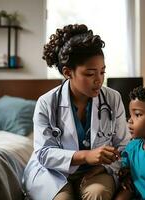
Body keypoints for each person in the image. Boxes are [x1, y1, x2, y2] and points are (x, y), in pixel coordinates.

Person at [23, 24, 130, 200]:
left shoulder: (113, 99)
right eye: (90, 74)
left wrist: (104, 167)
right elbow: (43, 153)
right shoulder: (46, 103)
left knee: (98, 194)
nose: (99, 80)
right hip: (54, 172)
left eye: (102, 72)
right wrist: (86, 156)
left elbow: (124, 146)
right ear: (68, 72)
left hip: (97, 171)